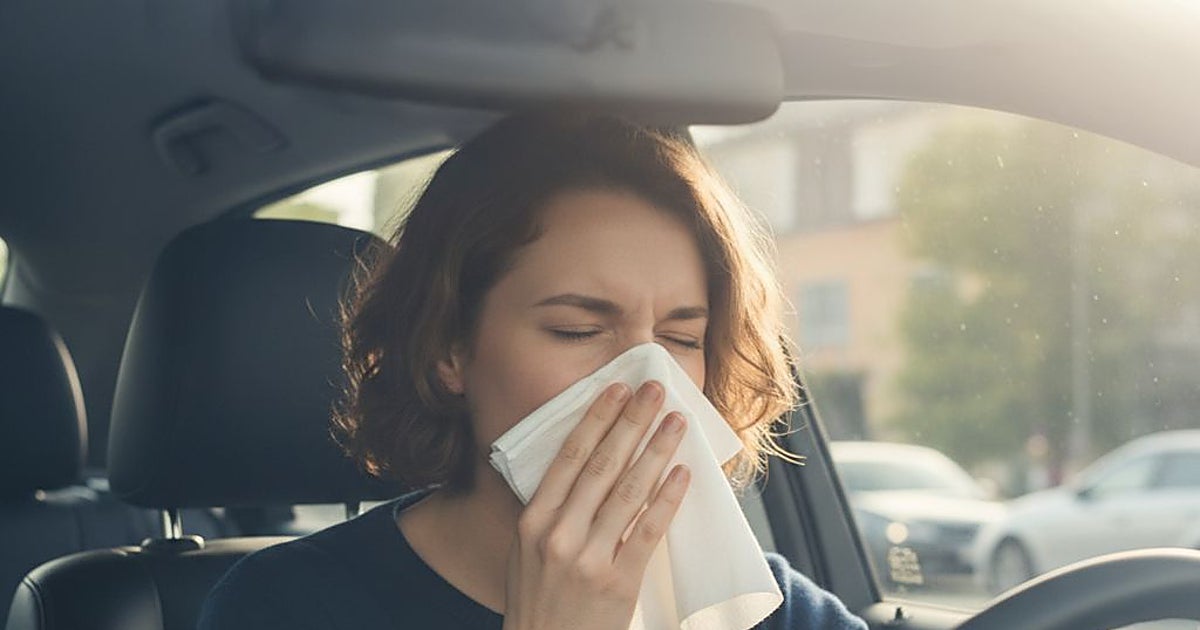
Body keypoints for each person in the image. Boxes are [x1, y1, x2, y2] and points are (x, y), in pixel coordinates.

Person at [198, 112, 866, 629]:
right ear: (449, 349)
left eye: (681, 337)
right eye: (577, 329)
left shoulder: (761, 605)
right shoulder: (289, 606)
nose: (650, 382)